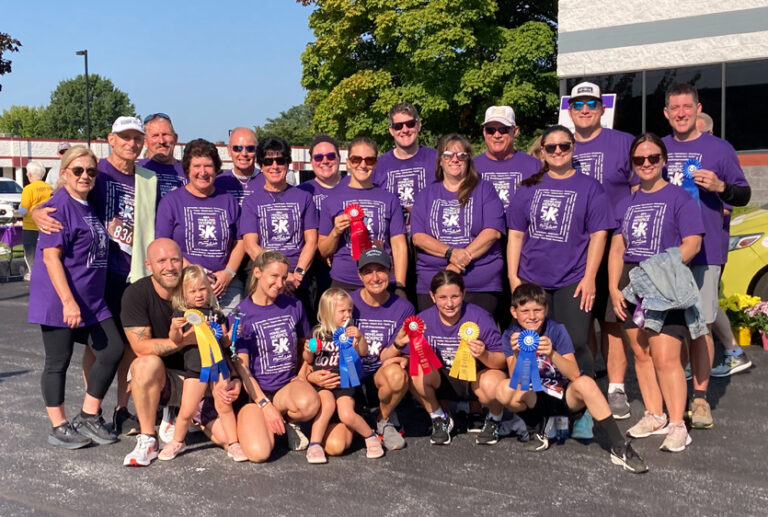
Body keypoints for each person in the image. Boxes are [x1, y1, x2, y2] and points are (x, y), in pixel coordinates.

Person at [662, 83, 751, 429]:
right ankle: (672, 398)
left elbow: (743, 193)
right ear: (666, 113)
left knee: (700, 329)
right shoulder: (659, 148)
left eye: (688, 107)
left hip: (707, 251)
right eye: (675, 108)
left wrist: (720, 187)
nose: (682, 113)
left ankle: (699, 399)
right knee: (671, 329)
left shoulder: (720, 148)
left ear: (698, 109)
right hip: (666, 255)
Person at [609, 133, 705, 452]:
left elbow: (692, 243)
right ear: (633, 164)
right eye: (640, 159)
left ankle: (678, 423)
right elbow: (617, 246)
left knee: (666, 356)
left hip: (664, 281)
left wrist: (662, 268)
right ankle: (655, 414)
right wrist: (613, 287)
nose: (646, 164)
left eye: (652, 158)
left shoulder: (680, 198)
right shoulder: (626, 202)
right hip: (631, 281)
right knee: (641, 352)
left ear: (663, 160)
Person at [495, 283, 648, 473]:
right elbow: (516, 379)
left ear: (546, 309)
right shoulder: (511, 335)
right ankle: (536, 428)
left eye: (537, 310)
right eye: (525, 311)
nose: (532, 316)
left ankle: (620, 446)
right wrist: (518, 355)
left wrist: (552, 353)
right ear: (514, 312)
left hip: (563, 395)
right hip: (535, 396)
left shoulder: (556, 329)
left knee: (586, 383)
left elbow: (574, 373)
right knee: (503, 389)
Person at [27, 146, 122, 449]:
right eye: (78, 170)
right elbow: (51, 258)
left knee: (112, 349)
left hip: (92, 300)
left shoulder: (87, 203)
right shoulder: (59, 205)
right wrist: (68, 301)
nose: (85, 176)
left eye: (91, 171)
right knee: (58, 360)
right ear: (64, 172)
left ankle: (89, 414)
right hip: (60, 298)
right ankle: (58, 426)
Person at [121, 238, 243, 466]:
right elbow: (140, 347)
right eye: (161, 261)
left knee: (229, 438)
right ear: (148, 265)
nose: (169, 266)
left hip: (209, 377)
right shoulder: (136, 294)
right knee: (144, 365)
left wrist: (234, 377)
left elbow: (222, 344)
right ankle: (148, 438)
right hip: (174, 379)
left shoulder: (197, 291)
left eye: (175, 260)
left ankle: (182, 416)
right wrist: (187, 340)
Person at [507, 125, 615, 379]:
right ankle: (544, 403)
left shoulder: (590, 187)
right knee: (535, 342)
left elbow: (599, 234)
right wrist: (513, 277)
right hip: (532, 278)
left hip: (573, 278)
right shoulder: (527, 188)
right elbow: (516, 234)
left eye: (564, 146)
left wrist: (590, 277)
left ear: (572, 148)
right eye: (551, 147)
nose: (558, 151)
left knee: (575, 341)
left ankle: (583, 404)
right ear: (542, 152)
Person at [567, 81, 636, 418]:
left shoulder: (623, 143)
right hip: (575, 244)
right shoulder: (560, 145)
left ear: (601, 108)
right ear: (569, 110)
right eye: (578, 104)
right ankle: (593, 379)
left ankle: (618, 388)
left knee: (611, 319)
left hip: (613, 243)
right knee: (584, 318)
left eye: (590, 104)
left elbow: (642, 188)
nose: (584, 110)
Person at [309, 248, 414, 456]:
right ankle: (359, 424)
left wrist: (400, 351)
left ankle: (382, 420)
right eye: (368, 271)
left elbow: (391, 354)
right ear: (359, 275)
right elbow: (318, 344)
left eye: (381, 270)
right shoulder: (347, 303)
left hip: (377, 375)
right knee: (335, 447)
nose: (375, 277)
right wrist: (310, 374)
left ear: (391, 272)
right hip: (343, 381)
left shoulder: (404, 307)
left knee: (396, 375)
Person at [233, 250, 321, 463]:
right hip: (256, 395)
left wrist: (303, 374)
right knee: (259, 453)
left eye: (284, 277)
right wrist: (264, 404)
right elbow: (243, 371)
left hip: (285, 389)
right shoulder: (241, 313)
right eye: (274, 276)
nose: (280, 283)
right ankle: (262, 420)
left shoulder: (293, 305)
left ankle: (288, 421)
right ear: (257, 273)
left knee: (310, 403)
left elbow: (305, 345)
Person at [157, 265, 245, 462]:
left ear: (210, 289)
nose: (198, 294)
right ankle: (177, 441)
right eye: (193, 291)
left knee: (224, 405)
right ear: (184, 293)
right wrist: (174, 328)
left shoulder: (217, 313)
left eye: (202, 289)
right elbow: (176, 340)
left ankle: (233, 443)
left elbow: (223, 342)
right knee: (187, 409)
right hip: (196, 369)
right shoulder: (182, 314)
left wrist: (231, 336)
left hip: (220, 367)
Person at [411, 133, 505, 315]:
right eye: (448, 155)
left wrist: (458, 263)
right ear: (440, 161)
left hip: (478, 283)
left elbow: (492, 232)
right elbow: (418, 237)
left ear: (468, 160)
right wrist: (450, 253)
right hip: (433, 282)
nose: (455, 159)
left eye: (461, 155)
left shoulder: (485, 189)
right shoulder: (426, 194)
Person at [409, 270, 506, 446]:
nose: (450, 304)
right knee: (415, 373)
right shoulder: (422, 321)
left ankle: (494, 419)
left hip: (473, 377)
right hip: (442, 379)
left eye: (455, 296)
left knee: (495, 382)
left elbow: (501, 361)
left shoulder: (480, 317)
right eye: (443, 297)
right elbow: (410, 357)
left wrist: (484, 354)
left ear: (464, 293)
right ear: (432, 296)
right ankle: (439, 418)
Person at [156, 138, 245, 314]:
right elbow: (164, 245)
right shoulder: (172, 201)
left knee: (231, 335)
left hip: (224, 286)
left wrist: (228, 273)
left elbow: (240, 242)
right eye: (197, 166)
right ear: (188, 169)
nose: (203, 172)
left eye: (208, 166)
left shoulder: (228, 201)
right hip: (187, 286)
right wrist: (197, 275)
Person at [695, 112, 752, 377]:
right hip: (689, 250)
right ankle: (733, 352)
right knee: (707, 305)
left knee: (704, 310)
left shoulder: (719, 159)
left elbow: (728, 208)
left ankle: (723, 356)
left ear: (708, 133)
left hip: (709, 248)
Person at [302, 288, 385, 463]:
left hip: (345, 382)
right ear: (326, 312)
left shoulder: (351, 333)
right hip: (323, 384)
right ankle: (314, 444)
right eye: (342, 311)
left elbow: (363, 353)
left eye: (349, 310)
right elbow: (308, 360)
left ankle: (370, 437)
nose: (347, 314)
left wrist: (360, 338)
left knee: (346, 414)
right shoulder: (318, 333)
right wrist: (309, 350)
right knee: (327, 405)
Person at [318, 137, 407, 293]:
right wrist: (336, 232)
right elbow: (323, 251)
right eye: (356, 159)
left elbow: (399, 246)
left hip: (382, 281)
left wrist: (400, 285)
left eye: (369, 160)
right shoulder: (331, 200)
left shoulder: (389, 199)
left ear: (376, 163)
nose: (363, 165)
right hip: (345, 281)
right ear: (348, 162)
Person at [240, 136, 317, 316]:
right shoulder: (251, 201)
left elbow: (311, 241)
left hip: (298, 279)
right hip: (264, 279)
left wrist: (296, 275)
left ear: (288, 163)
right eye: (268, 161)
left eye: (280, 160)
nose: (274, 166)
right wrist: (276, 276)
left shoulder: (304, 197)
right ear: (261, 165)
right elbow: (251, 245)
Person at [297, 134, 344, 317]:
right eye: (318, 157)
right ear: (311, 161)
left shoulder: (352, 187)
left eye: (330, 156)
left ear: (339, 159)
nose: (325, 161)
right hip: (312, 270)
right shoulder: (301, 191)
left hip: (344, 266)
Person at [372, 102, 438, 229]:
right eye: (398, 126)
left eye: (410, 124)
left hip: (431, 236)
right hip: (393, 239)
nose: (405, 130)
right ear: (391, 130)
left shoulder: (437, 159)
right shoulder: (378, 165)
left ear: (419, 125)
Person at [473, 106, 541, 211]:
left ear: (515, 131)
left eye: (503, 129)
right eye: (490, 130)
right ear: (484, 132)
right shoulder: (471, 167)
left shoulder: (535, 166)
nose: (496, 135)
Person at [136, 113, 187, 200]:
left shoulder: (189, 172)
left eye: (165, 134)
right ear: (145, 142)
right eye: (155, 136)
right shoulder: (136, 172)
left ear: (175, 138)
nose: (161, 141)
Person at [19, 161, 52, 280]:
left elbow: (23, 209)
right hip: (45, 224)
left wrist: (15, 212)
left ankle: (33, 273)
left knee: (30, 252)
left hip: (30, 225)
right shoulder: (49, 187)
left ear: (31, 175)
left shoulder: (28, 189)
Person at [214, 127, 263, 206]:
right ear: (229, 151)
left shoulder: (267, 182)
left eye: (250, 148)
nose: (244, 153)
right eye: (237, 148)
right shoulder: (218, 183)